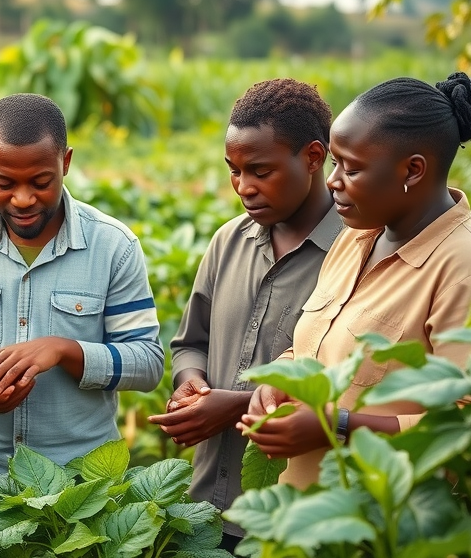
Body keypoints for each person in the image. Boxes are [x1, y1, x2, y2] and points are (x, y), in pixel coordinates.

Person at [239, 72, 471, 488]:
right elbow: (316, 352)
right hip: (306, 518)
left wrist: (336, 425)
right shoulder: (356, 237)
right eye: (335, 162)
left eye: (351, 169)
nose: (333, 180)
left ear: (412, 170)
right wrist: (278, 386)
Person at [0, 93, 165, 533]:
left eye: (41, 181)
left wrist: (65, 351)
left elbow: (147, 363)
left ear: (66, 162)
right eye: (4, 182)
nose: (23, 199)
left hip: (81, 488)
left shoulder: (113, 247)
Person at [146, 78, 342, 554]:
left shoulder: (352, 256)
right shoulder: (228, 241)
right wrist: (191, 385)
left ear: (313, 158)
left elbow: (341, 382)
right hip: (206, 503)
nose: (243, 187)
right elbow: (191, 342)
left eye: (259, 170)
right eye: (233, 170)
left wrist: (232, 406)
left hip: (292, 515)